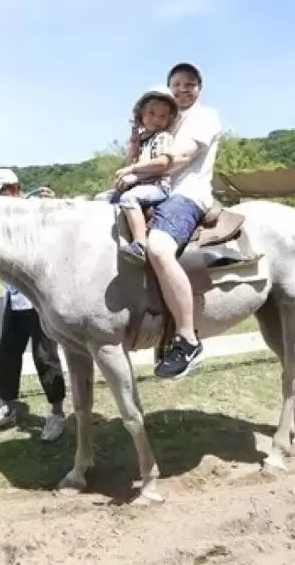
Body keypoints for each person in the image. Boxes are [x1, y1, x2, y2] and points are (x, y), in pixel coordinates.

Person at [142, 63, 224, 379]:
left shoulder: (205, 117)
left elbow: (180, 159)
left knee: (160, 247)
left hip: (188, 193)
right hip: (158, 190)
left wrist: (135, 171)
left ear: (199, 88)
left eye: (189, 84)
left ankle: (188, 338)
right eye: (176, 84)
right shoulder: (167, 121)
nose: (182, 89)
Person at [0, 168, 67, 441]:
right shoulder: (3, 221)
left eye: (0, 194)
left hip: (40, 300)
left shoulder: (38, 209)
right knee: (6, 354)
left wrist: (52, 207)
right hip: (16, 299)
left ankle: (56, 414)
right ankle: (8, 408)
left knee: (45, 357)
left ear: (13, 189)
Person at [94, 88, 180, 264]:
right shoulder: (140, 138)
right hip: (137, 184)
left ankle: (140, 244)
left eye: (163, 116)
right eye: (152, 113)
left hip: (156, 186)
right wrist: (133, 148)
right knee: (101, 198)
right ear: (141, 114)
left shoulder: (162, 137)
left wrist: (132, 171)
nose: (157, 119)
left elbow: (163, 163)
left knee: (129, 198)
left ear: (169, 120)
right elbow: (128, 165)